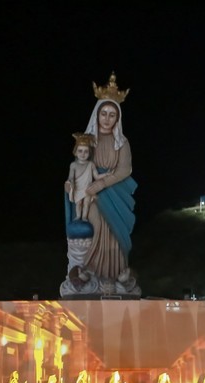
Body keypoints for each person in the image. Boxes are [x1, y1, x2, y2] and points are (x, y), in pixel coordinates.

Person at [78, 73, 138, 289]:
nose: (107, 118)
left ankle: (116, 273)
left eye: (112, 115)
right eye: (103, 113)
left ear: (117, 118)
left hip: (116, 191)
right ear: (97, 114)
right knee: (100, 223)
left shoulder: (122, 142)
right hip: (92, 194)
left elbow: (124, 170)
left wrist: (103, 183)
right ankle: (95, 271)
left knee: (116, 229)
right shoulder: (89, 140)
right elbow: (81, 165)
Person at [66, 132, 109, 220]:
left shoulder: (91, 164)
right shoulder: (73, 165)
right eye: (80, 151)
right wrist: (70, 183)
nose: (83, 154)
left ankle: (84, 217)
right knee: (79, 203)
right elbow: (71, 177)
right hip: (78, 188)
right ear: (75, 152)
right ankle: (78, 216)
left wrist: (106, 174)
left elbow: (96, 177)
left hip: (87, 188)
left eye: (86, 151)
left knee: (86, 203)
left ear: (89, 153)